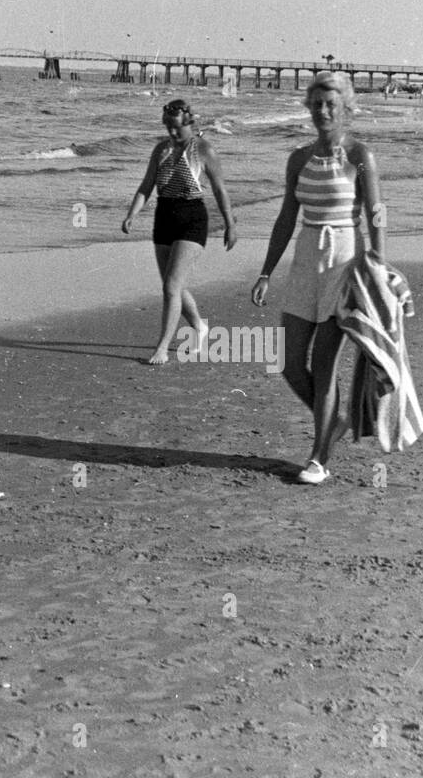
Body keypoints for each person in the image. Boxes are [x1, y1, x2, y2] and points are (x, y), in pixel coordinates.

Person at [251, 71, 384, 484]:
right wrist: (266, 271)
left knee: (325, 366)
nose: (323, 112)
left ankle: (319, 457)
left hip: (346, 260)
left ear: (346, 109)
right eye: (317, 104)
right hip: (307, 257)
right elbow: (286, 217)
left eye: (331, 105)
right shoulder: (298, 158)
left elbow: (377, 216)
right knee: (290, 364)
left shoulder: (360, 155)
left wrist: (378, 268)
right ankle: (336, 422)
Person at [123, 99, 237, 364]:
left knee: (172, 286)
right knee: (172, 286)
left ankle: (162, 347)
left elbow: (220, 191)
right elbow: (146, 186)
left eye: (175, 127)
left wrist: (231, 225)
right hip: (163, 218)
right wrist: (132, 214)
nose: (171, 133)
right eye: (167, 127)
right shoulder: (160, 150)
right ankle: (199, 326)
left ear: (188, 123)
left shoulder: (204, 150)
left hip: (192, 219)